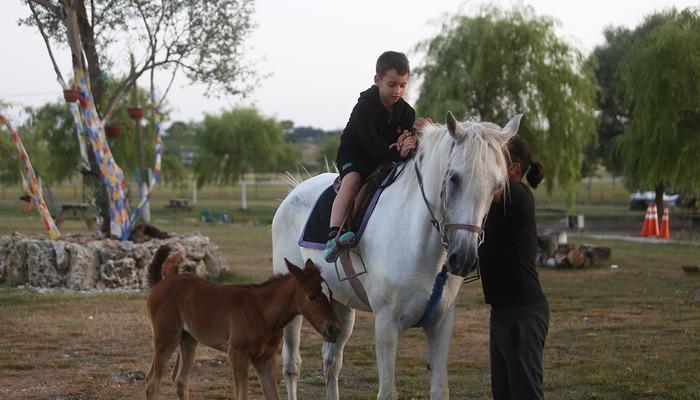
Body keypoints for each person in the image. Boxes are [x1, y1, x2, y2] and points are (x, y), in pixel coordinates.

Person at [323, 51, 420, 263]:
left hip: (384, 157)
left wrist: (411, 143)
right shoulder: (364, 107)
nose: (397, 91)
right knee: (353, 179)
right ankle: (333, 236)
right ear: (378, 80)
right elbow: (371, 145)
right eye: (392, 84)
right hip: (356, 154)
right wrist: (398, 152)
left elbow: (403, 143)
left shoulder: (407, 112)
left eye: (403, 85)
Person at [477, 135, 549, 400]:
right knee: (504, 393)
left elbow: (477, 186)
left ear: (514, 169)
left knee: (525, 393)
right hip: (503, 312)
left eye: (497, 158)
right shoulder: (498, 202)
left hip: (523, 314)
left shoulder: (517, 193)